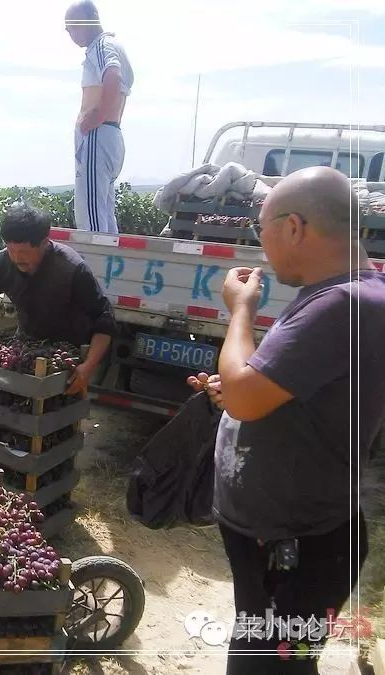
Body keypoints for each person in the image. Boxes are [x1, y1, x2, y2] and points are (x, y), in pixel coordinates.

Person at [186, 166, 385, 674]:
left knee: (268, 667)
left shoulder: (342, 303)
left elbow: (248, 398)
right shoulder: (353, 294)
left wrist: (240, 311)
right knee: (281, 661)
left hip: (299, 547)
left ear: (294, 227)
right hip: (296, 542)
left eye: (262, 229)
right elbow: (273, 391)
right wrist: (235, 388)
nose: (261, 246)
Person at [0, 203, 115, 395]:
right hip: (26, 348)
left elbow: (104, 319)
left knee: (54, 416)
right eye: (11, 250)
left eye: (24, 252)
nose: (16, 258)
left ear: (44, 243)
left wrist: (87, 367)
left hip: (65, 358)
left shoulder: (72, 269)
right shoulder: (1, 262)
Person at [65, 1, 134, 234]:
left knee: (91, 219)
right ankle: (110, 268)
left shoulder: (101, 46)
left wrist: (95, 118)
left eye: (74, 25)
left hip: (98, 135)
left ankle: (96, 270)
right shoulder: (111, 45)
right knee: (103, 212)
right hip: (109, 134)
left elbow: (112, 76)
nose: (71, 32)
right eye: (68, 28)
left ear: (92, 19)